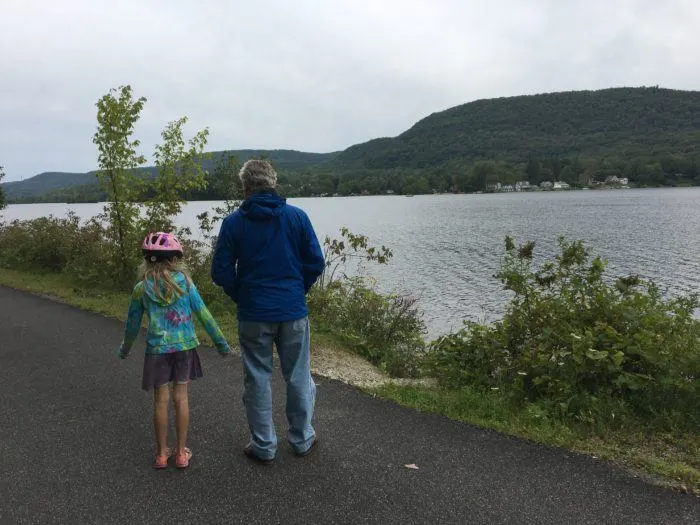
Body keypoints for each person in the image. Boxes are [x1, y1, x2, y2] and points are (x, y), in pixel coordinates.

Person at [212, 159, 325, 464]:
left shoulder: (234, 223)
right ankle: (302, 439)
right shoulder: (297, 218)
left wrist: (242, 295)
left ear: (245, 187)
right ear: (274, 184)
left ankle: (263, 445)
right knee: (298, 375)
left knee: (258, 377)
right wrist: (297, 291)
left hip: (253, 313)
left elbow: (221, 271)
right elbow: (315, 262)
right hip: (292, 311)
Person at [118, 232, 232, 469]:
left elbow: (132, 324)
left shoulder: (142, 288)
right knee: (181, 399)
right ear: (173, 259)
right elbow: (205, 316)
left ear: (148, 259)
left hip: (157, 350)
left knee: (161, 401)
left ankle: (161, 454)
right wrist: (221, 344)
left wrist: (125, 349)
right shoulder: (186, 284)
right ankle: (180, 453)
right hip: (184, 348)